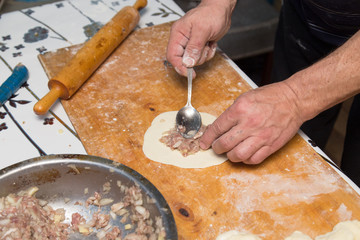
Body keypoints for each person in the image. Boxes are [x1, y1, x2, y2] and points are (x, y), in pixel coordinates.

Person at [166, 0, 360, 186]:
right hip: (306, 18)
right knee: (293, 155)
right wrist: (217, 4)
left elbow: (292, 100)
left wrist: (294, 98)